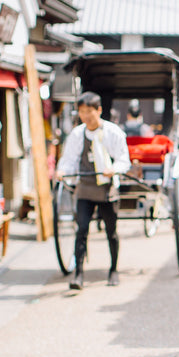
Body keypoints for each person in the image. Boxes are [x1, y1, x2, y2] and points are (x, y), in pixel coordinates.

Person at [56, 91, 131, 289]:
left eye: (89, 111)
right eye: (81, 112)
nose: (86, 116)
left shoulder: (113, 132)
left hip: (107, 189)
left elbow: (124, 159)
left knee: (111, 231)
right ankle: (78, 273)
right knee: (81, 229)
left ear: (99, 110)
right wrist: (62, 170)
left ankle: (113, 269)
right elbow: (69, 159)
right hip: (86, 188)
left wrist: (114, 169)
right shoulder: (77, 134)